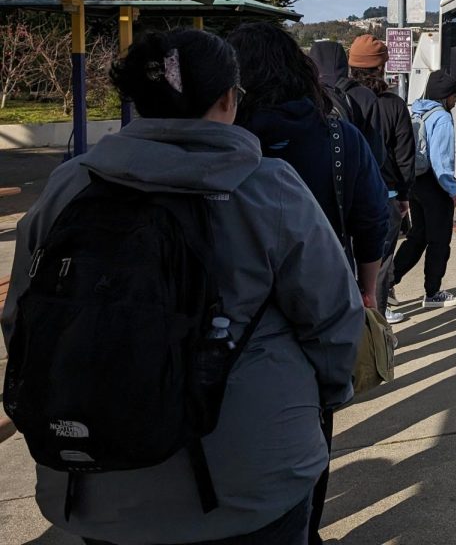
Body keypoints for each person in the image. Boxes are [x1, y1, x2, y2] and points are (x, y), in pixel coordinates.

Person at [2, 29, 361, 545]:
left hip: (97, 478)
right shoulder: (269, 187)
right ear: (228, 98)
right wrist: (322, 398)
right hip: (251, 474)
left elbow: (23, 316)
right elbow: (333, 321)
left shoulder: (71, 185)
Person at [227, 24, 390, 545]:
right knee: (311, 423)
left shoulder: (227, 138)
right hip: (319, 304)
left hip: (228, 303)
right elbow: (372, 221)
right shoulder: (337, 135)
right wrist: (366, 293)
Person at [344, 35, 417, 325]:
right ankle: (376, 331)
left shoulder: (338, 98)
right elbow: (404, 156)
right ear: (382, 68)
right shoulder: (393, 105)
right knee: (379, 266)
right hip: (384, 197)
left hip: (344, 198)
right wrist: (404, 196)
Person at [391, 69, 456, 309]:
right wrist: (453, 190)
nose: (455, 100)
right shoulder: (442, 117)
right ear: (445, 96)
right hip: (435, 185)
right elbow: (440, 160)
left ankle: (388, 280)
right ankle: (432, 292)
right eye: (454, 96)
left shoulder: (419, 110)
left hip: (416, 183)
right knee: (439, 241)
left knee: (417, 237)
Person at [309, 40, 384, 164]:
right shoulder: (365, 96)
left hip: (307, 180)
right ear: (344, 63)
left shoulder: (304, 95)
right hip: (352, 177)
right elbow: (377, 155)